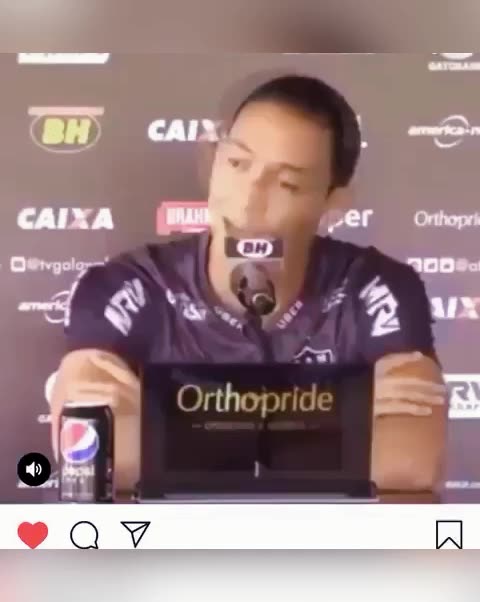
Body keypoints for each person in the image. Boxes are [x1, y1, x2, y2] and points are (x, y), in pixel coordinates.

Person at [51, 74, 447, 494]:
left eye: (287, 183)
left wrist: (171, 420)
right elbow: (87, 452)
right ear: (212, 162)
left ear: (332, 204)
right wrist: (332, 417)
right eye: (237, 164)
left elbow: (411, 462)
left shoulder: (375, 287)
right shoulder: (127, 285)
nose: (249, 198)